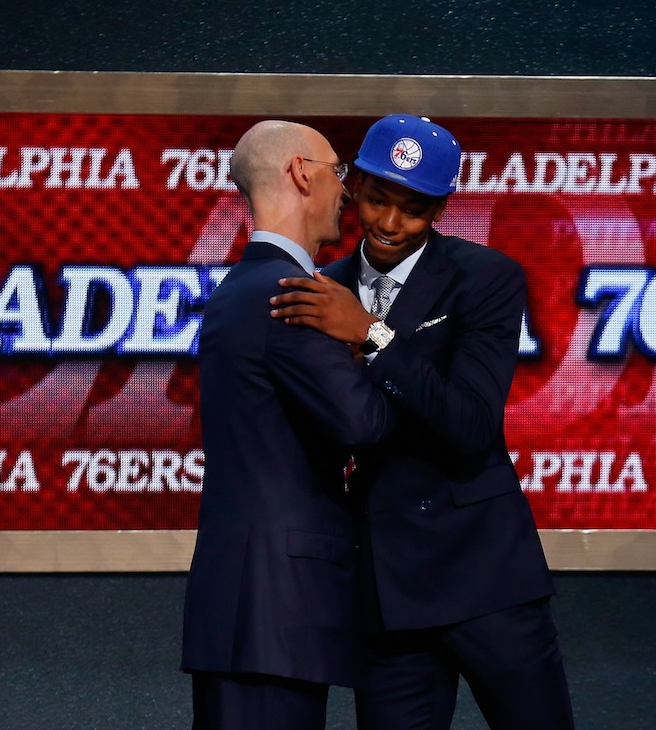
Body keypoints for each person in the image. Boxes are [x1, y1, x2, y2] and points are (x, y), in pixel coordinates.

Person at [270, 114, 575, 730]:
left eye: (413, 209)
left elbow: (470, 424)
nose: (388, 223)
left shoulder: (486, 278)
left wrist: (374, 335)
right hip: (385, 588)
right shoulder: (320, 287)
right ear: (353, 185)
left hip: (485, 574)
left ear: (441, 208)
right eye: (378, 200)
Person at [181, 120, 395, 730]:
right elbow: (365, 423)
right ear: (302, 173)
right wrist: (375, 339)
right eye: (338, 173)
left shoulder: (240, 288)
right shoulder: (293, 296)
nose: (346, 192)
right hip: (273, 612)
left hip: (246, 608)